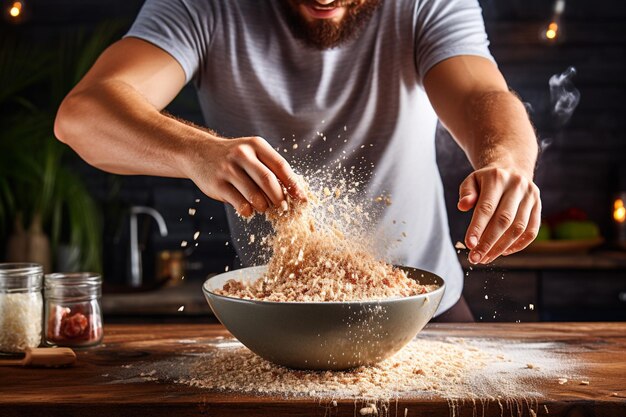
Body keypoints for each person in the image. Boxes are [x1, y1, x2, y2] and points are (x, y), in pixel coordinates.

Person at [54, 0, 540, 320]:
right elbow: (83, 115)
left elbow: (481, 93)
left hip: (423, 312)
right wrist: (196, 151)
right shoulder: (203, 7)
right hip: (282, 319)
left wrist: (505, 159)